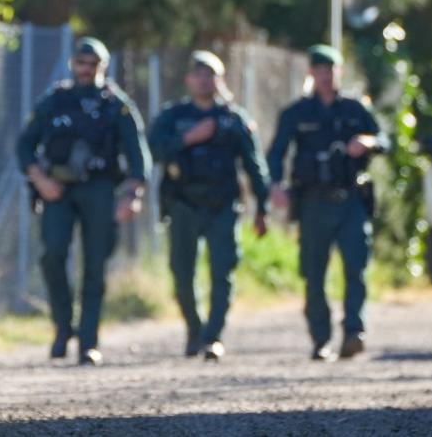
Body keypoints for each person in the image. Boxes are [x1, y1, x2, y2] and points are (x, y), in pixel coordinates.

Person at [16, 37, 150, 366]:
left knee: (95, 265)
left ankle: (89, 341)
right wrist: (41, 180)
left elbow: (138, 156)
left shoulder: (115, 105)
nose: (87, 70)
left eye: (93, 65)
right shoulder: (55, 100)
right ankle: (63, 327)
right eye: (81, 64)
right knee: (53, 254)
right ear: (73, 65)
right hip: (58, 190)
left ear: (103, 67)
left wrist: (132, 195)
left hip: (99, 189)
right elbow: (25, 146)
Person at [266, 44, 387, 361]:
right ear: (311, 73)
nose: (325, 76)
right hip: (313, 203)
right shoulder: (297, 113)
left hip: (350, 201)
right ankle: (321, 339)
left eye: (330, 70)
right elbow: (276, 153)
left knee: (356, 268)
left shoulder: (355, 109)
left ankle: (353, 332)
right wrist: (275, 186)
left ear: (339, 72)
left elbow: (385, 139)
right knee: (314, 273)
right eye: (319, 70)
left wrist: (369, 142)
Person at [148, 51, 270, 362]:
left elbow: (254, 165)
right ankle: (194, 329)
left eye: (211, 74)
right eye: (198, 74)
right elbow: (155, 151)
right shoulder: (172, 117)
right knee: (182, 272)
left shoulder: (233, 119)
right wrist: (189, 138)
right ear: (189, 79)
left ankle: (213, 336)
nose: (204, 80)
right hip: (183, 204)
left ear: (220, 79)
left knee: (222, 271)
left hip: (222, 206)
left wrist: (262, 206)